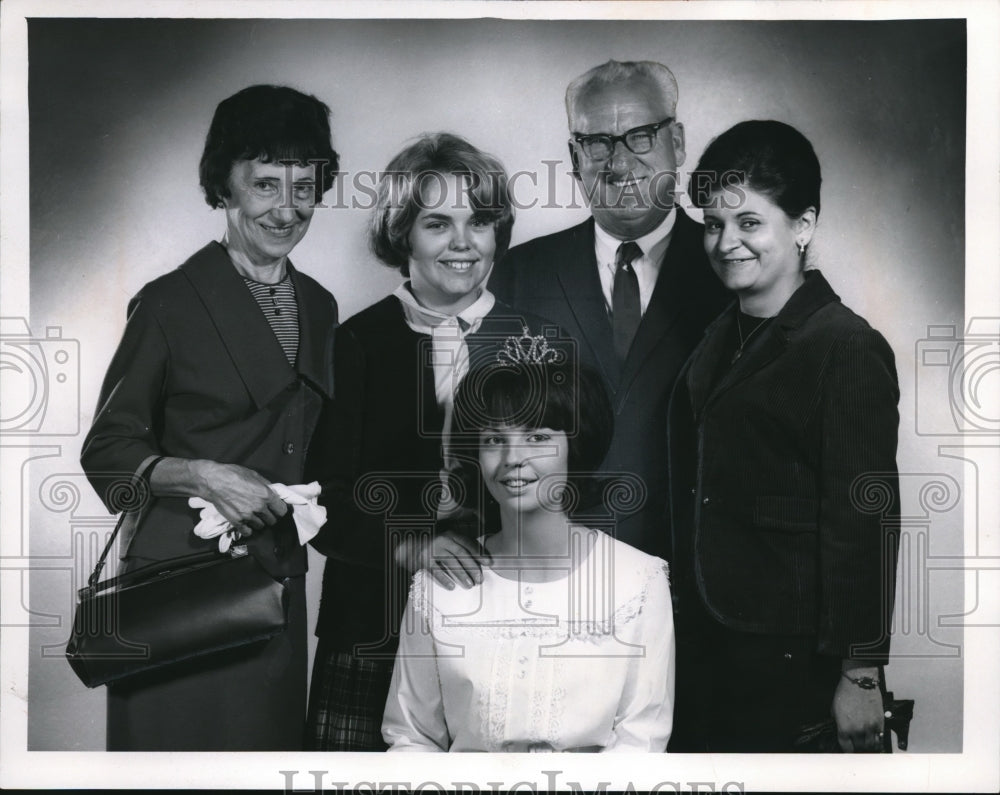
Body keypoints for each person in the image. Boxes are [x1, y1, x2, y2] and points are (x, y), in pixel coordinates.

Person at [79, 84, 340, 751]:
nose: (286, 208)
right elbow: (107, 447)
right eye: (264, 184)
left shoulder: (320, 304)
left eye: (304, 186)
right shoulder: (168, 302)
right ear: (223, 186)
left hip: (272, 582)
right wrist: (206, 475)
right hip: (177, 591)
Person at [305, 132, 562, 751]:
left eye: (479, 221)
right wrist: (411, 548)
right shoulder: (356, 343)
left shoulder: (535, 339)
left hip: (502, 616)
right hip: (373, 620)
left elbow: (566, 485)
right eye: (437, 223)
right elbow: (322, 502)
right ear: (402, 234)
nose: (463, 242)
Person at [667, 120, 901, 752]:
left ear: (802, 226)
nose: (725, 243)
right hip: (707, 645)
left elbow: (864, 520)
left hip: (792, 655)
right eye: (714, 224)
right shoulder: (718, 335)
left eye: (749, 223)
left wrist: (860, 673)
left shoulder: (845, 345)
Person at [490, 59, 730, 559]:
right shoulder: (521, 273)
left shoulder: (732, 273)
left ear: (678, 143)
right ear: (574, 156)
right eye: (597, 142)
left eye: (641, 135)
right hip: (554, 571)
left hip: (699, 573)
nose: (618, 163)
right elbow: (489, 431)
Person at [382, 359, 675, 752]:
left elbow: (642, 742)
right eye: (493, 440)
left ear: (576, 446)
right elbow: (411, 738)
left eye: (537, 437)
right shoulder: (439, 584)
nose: (511, 459)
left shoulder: (638, 581)